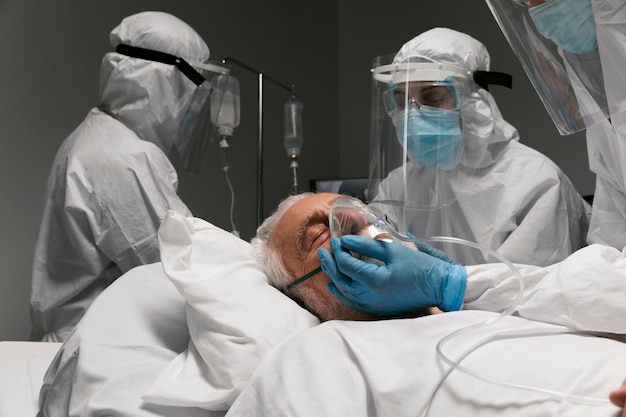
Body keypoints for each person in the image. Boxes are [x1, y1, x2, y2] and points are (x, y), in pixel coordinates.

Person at [30, 11, 233, 342]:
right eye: (188, 93)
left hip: (77, 339)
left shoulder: (96, 135)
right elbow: (181, 267)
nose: (186, 111)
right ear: (163, 84)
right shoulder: (121, 158)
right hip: (87, 347)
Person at [368, 28, 591, 266]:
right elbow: (372, 253)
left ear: (472, 100)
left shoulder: (536, 181)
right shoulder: (399, 185)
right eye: (402, 101)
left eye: (432, 98)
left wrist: (441, 286)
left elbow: (526, 289)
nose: (412, 115)